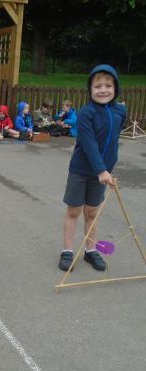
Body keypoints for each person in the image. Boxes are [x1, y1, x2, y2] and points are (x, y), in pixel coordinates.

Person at [58, 64, 126, 272]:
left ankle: (91, 251)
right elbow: (88, 143)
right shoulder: (86, 113)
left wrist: (107, 168)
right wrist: (101, 170)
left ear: (115, 88)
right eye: (97, 86)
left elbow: (113, 139)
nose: (103, 90)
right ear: (90, 89)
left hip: (103, 172)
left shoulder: (120, 111)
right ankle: (67, 251)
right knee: (74, 210)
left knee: (92, 212)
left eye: (108, 85)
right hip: (82, 170)